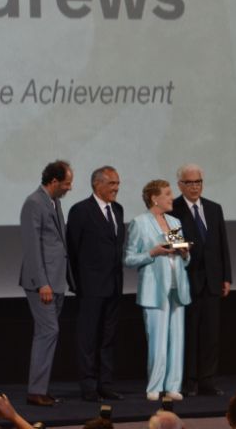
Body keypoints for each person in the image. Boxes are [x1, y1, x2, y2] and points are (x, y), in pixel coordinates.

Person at [124, 179, 191, 401]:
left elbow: (185, 259)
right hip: (155, 290)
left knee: (177, 339)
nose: (172, 198)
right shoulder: (139, 223)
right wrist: (152, 253)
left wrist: (184, 253)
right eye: (167, 194)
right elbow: (129, 258)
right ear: (154, 198)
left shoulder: (173, 222)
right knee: (158, 340)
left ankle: (174, 386)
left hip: (177, 287)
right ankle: (155, 386)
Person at [170, 164, 231, 396]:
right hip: (188, 282)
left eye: (198, 182)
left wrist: (226, 276)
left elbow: (222, 245)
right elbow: (173, 247)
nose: (195, 187)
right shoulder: (172, 210)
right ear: (180, 185)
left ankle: (207, 380)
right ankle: (190, 381)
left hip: (213, 281)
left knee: (211, 334)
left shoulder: (214, 209)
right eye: (190, 182)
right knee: (190, 333)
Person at [18, 160, 74, 406]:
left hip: (56, 280)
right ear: (54, 181)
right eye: (67, 183)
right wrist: (43, 283)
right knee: (49, 331)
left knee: (48, 332)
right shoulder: (33, 203)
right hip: (42, 282)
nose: (69, 188)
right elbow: (32, 247)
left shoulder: (55, 202)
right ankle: (36, 391)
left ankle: (40, 389)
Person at [66, 165, 124, 402]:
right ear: (97, 184)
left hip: (113, 285)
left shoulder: (118, 210)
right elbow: (72, 249)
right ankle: (89, 386)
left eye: (118, 183)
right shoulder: (80, 210)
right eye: (112, 183)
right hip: (90, 287)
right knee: (88, 338)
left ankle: (105, 384)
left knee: (107, 337)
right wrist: (78, 283)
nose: (116, 188)